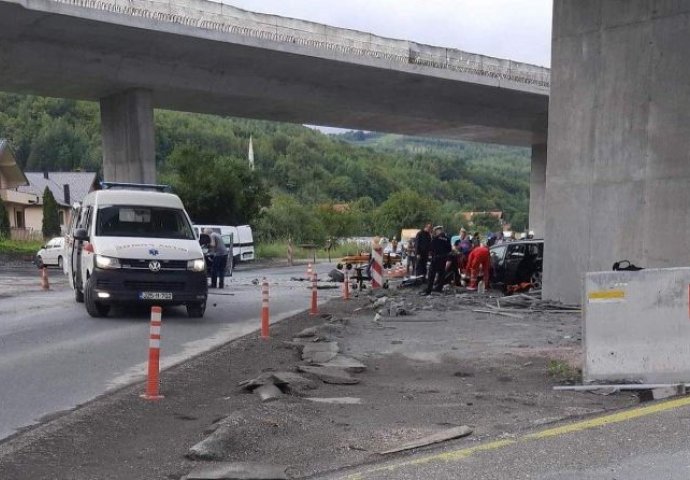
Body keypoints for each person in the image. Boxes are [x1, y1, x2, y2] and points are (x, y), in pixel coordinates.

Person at [423, 225, 451, 295]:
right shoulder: (447, 239)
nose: (435, 232)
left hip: (436, 258)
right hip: (443, 258)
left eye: (436, 231)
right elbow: (449, 249)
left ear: (438, 231)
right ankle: (439, 288)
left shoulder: (436, 238)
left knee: (431, 274)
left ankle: (429, 290)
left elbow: (431, 247)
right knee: (441, 274)